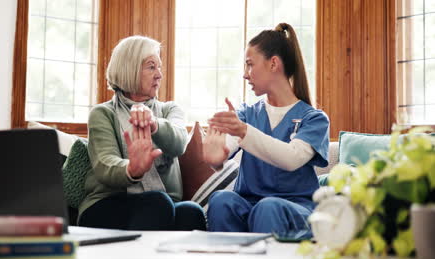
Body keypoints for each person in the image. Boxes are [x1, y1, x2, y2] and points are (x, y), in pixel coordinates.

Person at [203, 23, 329, 238]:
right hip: (250, 205)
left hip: (294, 209)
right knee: (221, 201)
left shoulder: (314, 119)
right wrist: (216, 157)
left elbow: (292, 158)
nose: (245, 74)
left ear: (273, 64)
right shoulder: (246, 113)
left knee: (268, 207)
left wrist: (243, 131)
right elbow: (229, 143)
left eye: (250, 65)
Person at [78, 36, 206, 231]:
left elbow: (180, 142)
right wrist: (132, 169)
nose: (159, 75)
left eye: (160, 67)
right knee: (158, 204)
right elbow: (105, 164)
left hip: (163, 203)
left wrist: (153, 124)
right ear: (129, 68)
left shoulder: (170, 110)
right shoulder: (103, 114)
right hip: (107, 204)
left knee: (191, 212)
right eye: (151, 66)